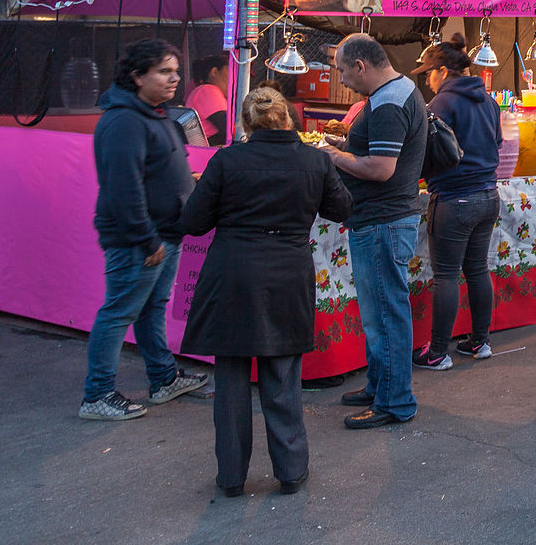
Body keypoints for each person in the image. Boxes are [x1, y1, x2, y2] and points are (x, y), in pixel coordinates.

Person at [173, 88, 353, 497]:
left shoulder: (228, 161)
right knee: (283, 376)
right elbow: (342, 210)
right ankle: (291, 470)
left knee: (232, 380)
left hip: (232, 274)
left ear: (247, 124)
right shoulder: (314, 160)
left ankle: (231, 476)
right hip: (287, 275)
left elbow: (194, 221)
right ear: (289, 119)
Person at [80, 39, 208, 422]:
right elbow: (123, 187)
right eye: (164, 72)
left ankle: (163, 378)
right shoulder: (122, 121)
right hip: (142, 239)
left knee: (151, 309)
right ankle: (97, 394)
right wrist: (145, 238)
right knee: (118, 312)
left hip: (165, 233)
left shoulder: (153, 113)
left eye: (175, 70)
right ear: (137, 76)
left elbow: (155, 171)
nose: (175, 78)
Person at [321, 34, 428, 429]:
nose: (343, 80)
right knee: (380, 314)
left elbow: (382, 169)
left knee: (385, 315)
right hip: (382, 218)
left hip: (383, 221)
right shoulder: (398, 92)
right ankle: (380, 386)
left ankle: (394, 402)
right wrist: (346, 145)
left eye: (343, 71)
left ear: (361, 66)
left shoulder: (387, 102)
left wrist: (335, 155)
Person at [409, 35, 502, 369]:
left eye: (429, 74)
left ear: (443, 71)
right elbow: (498, 144)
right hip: (488, 196)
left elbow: (424, 154)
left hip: (454, 199)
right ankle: (481, 342)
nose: (427, 80)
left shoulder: (439, 106)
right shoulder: (489, 102)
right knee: (477, 269)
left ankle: (436, 353)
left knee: (446, 276)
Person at [186, 54, 230, 146]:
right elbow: (226, 127)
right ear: (214, 72)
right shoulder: (207, 90)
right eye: (229, 71)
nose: (232, 77)